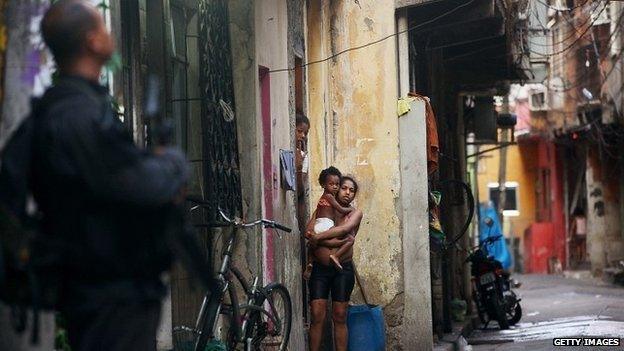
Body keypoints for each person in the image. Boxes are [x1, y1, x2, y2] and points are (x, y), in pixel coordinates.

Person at [32, 1, 188, 349]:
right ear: (92, 41)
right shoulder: (77, 115)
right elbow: (135, 183)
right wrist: (173, 165)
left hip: (111, 287)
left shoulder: (79, 107)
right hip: (107, 293)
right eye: (102, 27)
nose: (110, 33)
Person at [306, 176, 363, 351]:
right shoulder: (323, 208)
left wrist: (319, 238)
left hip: (342, 270)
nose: (347, 193)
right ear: (336, 189)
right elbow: (309, 230)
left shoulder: (355, 213)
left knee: (339, 315)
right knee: (317, 314)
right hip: (320, 269)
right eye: (344, 188)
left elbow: (344, 229)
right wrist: (315, 237)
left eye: (351, 190)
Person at [304, 167, 353, 280]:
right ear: (323, 185)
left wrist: (316, 238)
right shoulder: (330, 197)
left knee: (311, 245)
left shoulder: (322, 199)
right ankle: (336, 255)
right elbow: (340, 209)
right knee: (338, 242)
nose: (335, 187)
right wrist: (349, 210)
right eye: (332, 184)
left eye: (337, 184)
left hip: (319, 223)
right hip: (326, 224)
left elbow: (309, 231)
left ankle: (310, 262)